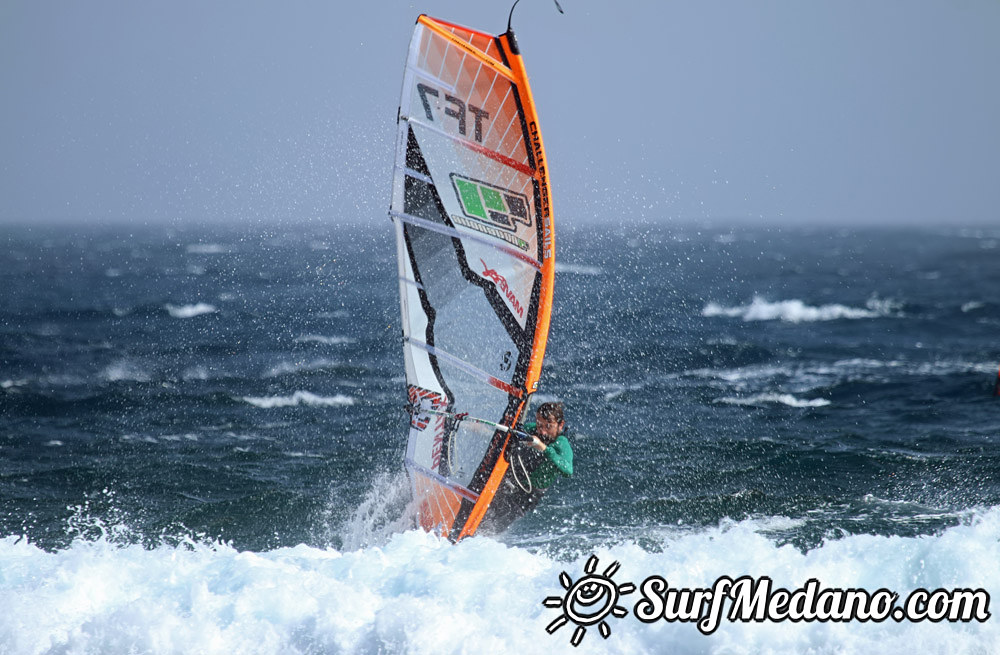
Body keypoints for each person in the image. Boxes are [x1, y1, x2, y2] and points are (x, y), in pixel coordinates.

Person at [482, 402, 573, 533]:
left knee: (495, 525)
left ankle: (479, 543)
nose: (542, 431)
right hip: (510, 481)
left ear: (560, 425)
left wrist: (544, 448)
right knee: (487, 509)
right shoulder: (531, 430)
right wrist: (480, 428)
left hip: (527, 495)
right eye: (539, 425)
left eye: (548, 426)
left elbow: (568, 470)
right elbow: (504, 434)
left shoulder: (561, 444)